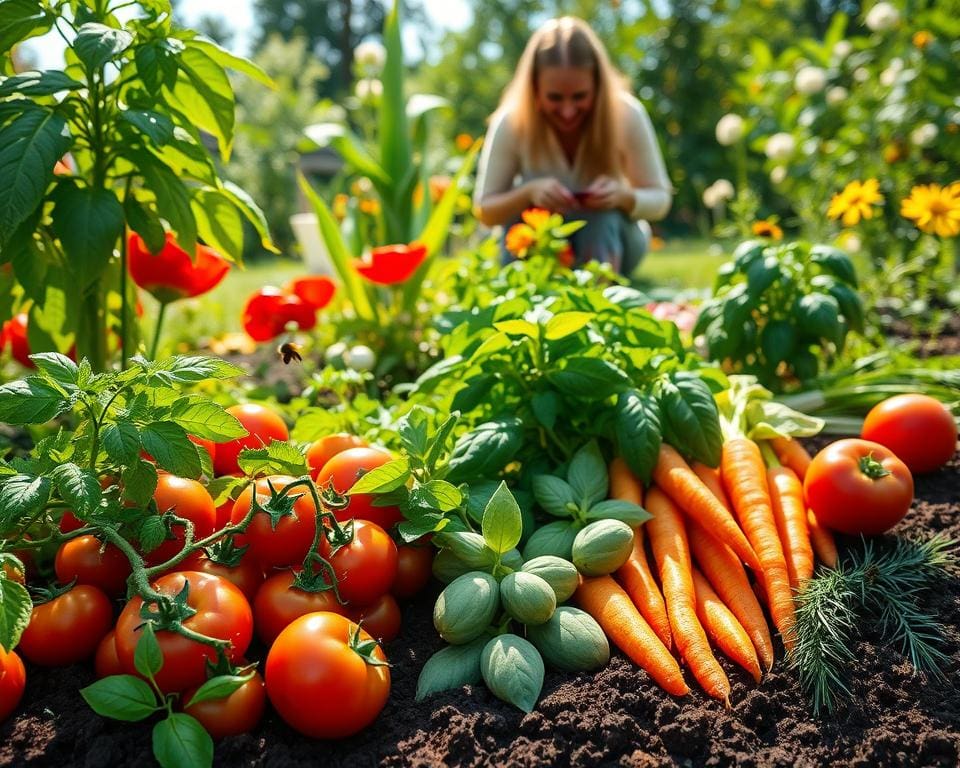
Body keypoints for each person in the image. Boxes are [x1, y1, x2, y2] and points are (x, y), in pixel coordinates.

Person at [473, 16, 673, 276]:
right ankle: (522, 305)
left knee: (600, 218)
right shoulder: (511, 122)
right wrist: (528, 193)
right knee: (518, 221)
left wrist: (622, 197)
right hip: (542, 252)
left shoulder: (626, 115)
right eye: (555, 98)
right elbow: (486, 211)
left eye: (580, 96)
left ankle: (600, 301)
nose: (568, 111)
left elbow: (660, 199)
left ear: (597, 86)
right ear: (534, 88)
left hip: (615, 241)